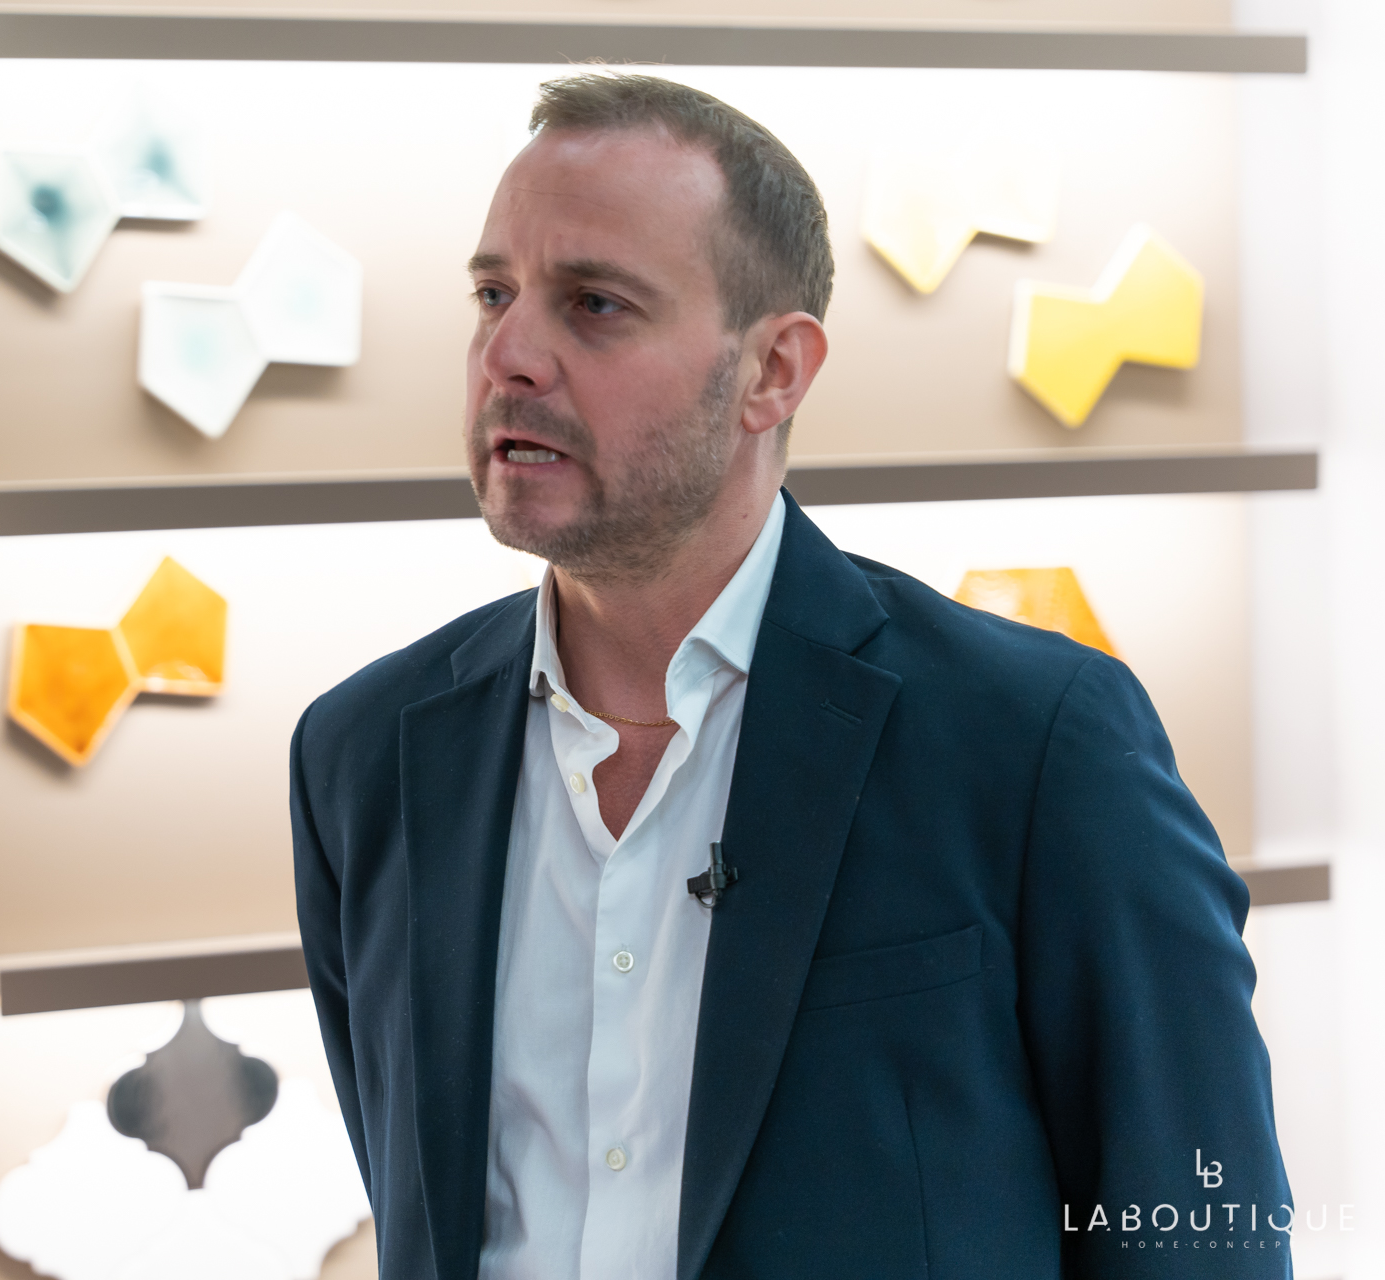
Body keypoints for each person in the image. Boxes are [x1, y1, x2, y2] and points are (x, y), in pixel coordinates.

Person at [289, 73, 1289, 1278]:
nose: (508, 356)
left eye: (594, 304)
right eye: (493, 293)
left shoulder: (1038, 743)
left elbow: (1203, 1234)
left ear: (774, 369)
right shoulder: (362, 754)